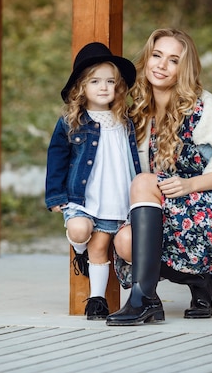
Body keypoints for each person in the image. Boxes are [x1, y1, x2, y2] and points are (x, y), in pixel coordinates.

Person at [106, 29, 212, 326]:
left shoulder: (206, 111)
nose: (161, 65)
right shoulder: (134, 108)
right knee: (124, 241)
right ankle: (201, 282)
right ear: (147, 58)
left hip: (205, 206)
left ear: (183, 69)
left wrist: (190, 184)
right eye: (157, 56)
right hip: (159, 206)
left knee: (144, 182)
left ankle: (142, 299)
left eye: (173, 60)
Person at [45, 42, 141, 320]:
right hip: (84, 198)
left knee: (100, 248)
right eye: (95, 81)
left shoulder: (127, 120)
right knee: (78, 231)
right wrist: (55, 197)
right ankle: (79, 251)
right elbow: (57, 158)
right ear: (81, 88)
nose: (103, 87)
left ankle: (96, 300)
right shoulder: (72, 122)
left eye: (110, 81)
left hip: (118, 198)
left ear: (118, 87)